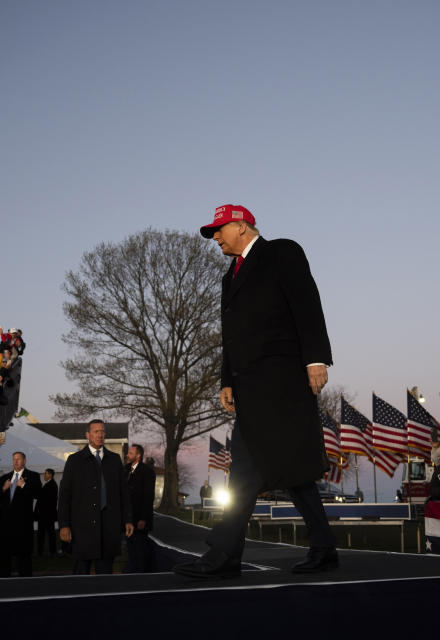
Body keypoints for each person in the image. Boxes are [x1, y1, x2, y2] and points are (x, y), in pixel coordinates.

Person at [174, 204, 337, 579]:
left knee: (269, 468)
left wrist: (316, 358)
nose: (215, 237)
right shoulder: (229, 277)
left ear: (242, 226)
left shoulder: (282, 252)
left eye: (219, 230)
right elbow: (230, 336)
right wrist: (226, 379)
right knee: (267, 471)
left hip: (283, 380)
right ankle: (318, 548)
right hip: (250, 387)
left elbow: (307, 303)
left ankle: (223, 556)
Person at [57, 419, 133, 574]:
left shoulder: (114, 459)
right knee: (80, 576)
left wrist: (128, 519)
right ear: (88, 435)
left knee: (105, 577)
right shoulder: (74, 460)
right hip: (82, 528)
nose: (100, 435)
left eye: (102, 431)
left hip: (108, 527)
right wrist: (64, 524)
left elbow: (123, 493)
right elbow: (65, 495)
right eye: (96, 431)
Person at [0, 451, 41, 577]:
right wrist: (3, 489)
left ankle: (25, 582)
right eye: (14, 459)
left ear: (24, 461)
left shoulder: (33, 476)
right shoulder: (5, 478)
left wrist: (24, 486)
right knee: (5, 554)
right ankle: (4, 580)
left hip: (23, 523)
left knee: (24, 555)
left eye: (19, 459)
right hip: (6, 523)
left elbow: (38, 494)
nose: (16, 462)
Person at [124, 444, 157, 573]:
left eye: (131, 453)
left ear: (138, 455)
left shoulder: (147, 472)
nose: (128, 455)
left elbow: (148, 497)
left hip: (139, 518)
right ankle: (133, 573)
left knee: (140, 549)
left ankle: (142, 574)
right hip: (127, 518)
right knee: (131, 548)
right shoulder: (125, 470)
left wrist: (143, 518)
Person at [35, 467, 59, 556]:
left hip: (46, 514)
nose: (44, 475)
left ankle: (45, 551)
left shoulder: (51, 485)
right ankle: (48, 551)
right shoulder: (49, 484)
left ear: (50, 475)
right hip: (46, 514)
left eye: (45, 474)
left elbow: (45, 500)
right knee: (48, 533)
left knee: (46, 533)